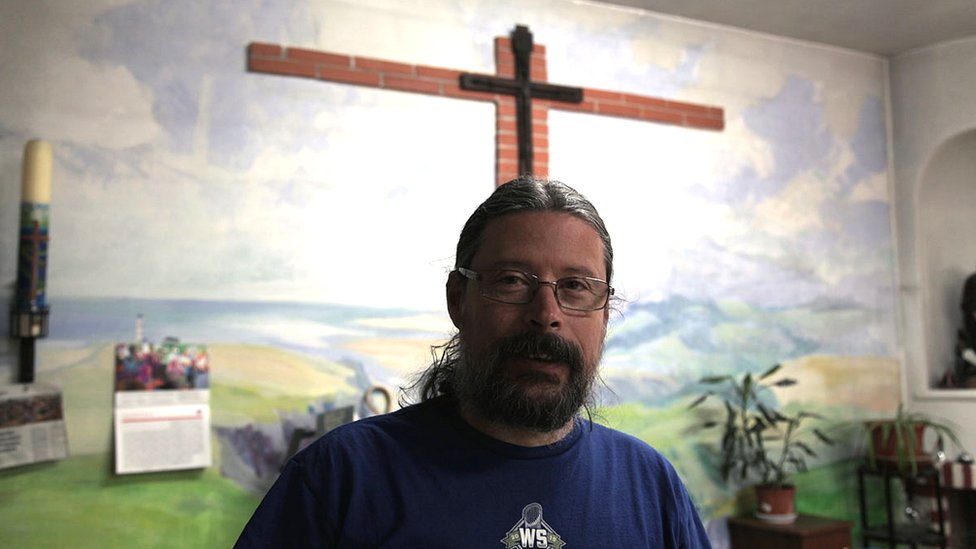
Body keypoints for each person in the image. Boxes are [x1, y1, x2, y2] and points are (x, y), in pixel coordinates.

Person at [235, 176, 712, 548]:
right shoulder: (343, 476)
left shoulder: (650, 484)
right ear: (459, 299)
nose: (546, 315)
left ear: (604, 314)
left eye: (575, 287)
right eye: (511, 281)